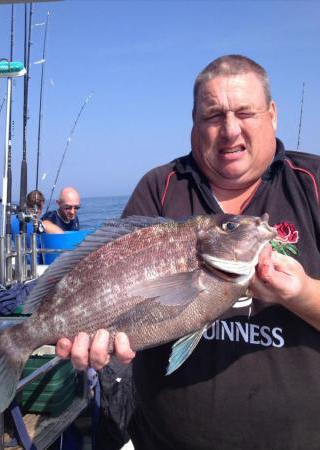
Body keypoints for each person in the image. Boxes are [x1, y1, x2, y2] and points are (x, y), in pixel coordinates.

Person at [56, 55, 320, 449]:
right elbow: (107, 276)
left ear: (273, 115)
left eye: (245, 112)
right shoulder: (160, 186)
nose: (230, 130)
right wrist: (99, 346)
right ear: (194, 122)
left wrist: (302, 294)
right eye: (214, 115)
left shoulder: (313, 184)